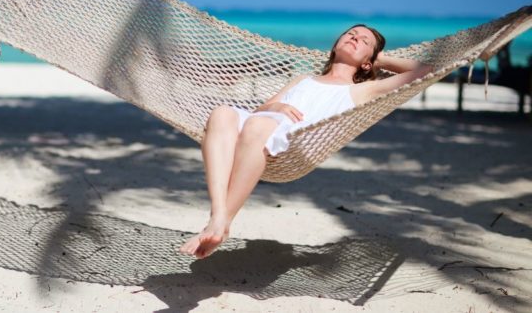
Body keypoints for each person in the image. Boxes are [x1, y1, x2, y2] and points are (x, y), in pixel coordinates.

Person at [178, 24, 434, 259]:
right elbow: (262, 110)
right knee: (222, 112)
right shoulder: (303, 79)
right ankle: (218, 214)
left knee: (257, 126)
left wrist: (379, 59)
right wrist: (277, 106)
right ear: (336, 45)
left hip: (299, 139)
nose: (355, 37)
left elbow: (425, 72)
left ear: (369, 63)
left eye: (364, 40)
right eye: (351, 34)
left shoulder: (362, 91)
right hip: (265, 123)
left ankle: (222, 221)